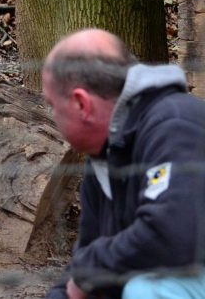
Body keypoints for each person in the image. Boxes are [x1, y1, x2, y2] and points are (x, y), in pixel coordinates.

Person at [42, 29, 205, 299]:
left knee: (149, 289)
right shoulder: (104, 159)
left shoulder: (175, 123)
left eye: (52, 105)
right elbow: (86, 266)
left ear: (81, 104)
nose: (52, 115)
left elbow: (174, 236)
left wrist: (89, 272)